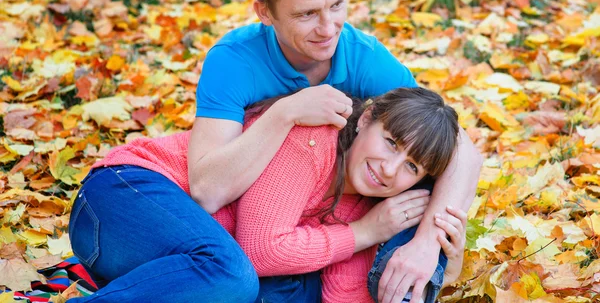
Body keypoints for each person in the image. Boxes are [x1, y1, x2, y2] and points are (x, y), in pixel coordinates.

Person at [187, 0, 482, 303]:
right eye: (307, 13)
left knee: (412, 169)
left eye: (337, 5)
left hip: (332, 205)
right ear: (265, 13)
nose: (329, 28)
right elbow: (207, 189)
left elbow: (455, 144)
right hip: (261, 208)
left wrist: (427, 242)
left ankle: (413, 286)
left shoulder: (363, 57)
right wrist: (287, 112)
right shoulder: (233, 60)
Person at [68, 87, 467, 302]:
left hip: (153, 262)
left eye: (412, 168)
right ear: (366, 120)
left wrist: (446, 264)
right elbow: (260, 250)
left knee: (286, 292)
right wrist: (364, 232)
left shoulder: (373, 206)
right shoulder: (315, 138)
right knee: (235, 276)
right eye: (392, 143)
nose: (390, 170)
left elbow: (341, 295)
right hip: (122, 198)